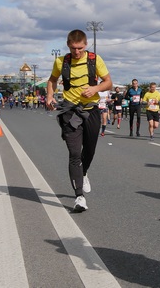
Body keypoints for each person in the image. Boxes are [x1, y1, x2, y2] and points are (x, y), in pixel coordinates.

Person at [46, 29, 112, 212]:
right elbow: (52, 80)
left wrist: (95, 88)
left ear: (86, 44)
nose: (77, 52)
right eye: (74, 48)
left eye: (80, 48)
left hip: (91, 110)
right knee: (75, 154)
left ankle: (83, 173)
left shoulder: (94, 59)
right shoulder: (61, 62)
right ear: (68, 45)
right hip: (69, 111)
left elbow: (108, 82)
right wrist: (49, 96)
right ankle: (79, 197)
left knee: (89, 150)